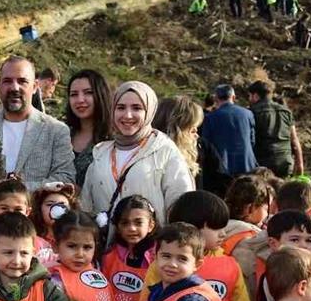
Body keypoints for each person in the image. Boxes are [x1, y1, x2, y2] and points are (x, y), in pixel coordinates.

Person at [0, 56, 76, 211]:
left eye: (22, 81)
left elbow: (65, 177)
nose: (15, 87)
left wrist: (19, 190)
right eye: (7, 81)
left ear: (35, 87)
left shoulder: (56, 131)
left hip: (35, 222)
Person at [80, 81, 194, 226]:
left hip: (155, 239)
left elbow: (181, 207)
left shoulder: (164, 150)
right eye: (121, 108)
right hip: (107, 240)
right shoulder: (101, 153)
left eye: (137, 108)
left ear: (149, 111)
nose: (128, 115)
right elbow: (86, 207)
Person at [0, 178, 57, 268]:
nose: (11, 213)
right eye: (4, 208)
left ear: (27, 211)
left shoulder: (40, 245)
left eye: (18, 209)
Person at [65, 70, 112, 187]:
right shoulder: (62, 135)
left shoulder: (113, 140)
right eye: (74, 94)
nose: (80, 100)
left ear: (101, 95)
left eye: (88, 93)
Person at [200, 84, 257, 178]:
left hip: (222, 166)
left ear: (216, 99)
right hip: (246, 163)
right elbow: (252, 141)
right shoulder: (248, 114)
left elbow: (206, 144)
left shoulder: (210, 118)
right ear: (233, 97)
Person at [248, 81, 303, 177]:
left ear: (255, 96)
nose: (249, 99)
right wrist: (300, 164)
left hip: (262, 163)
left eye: (249, 96)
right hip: (285, 162)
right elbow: (294, 141)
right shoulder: (286, 111)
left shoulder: (251, 112)